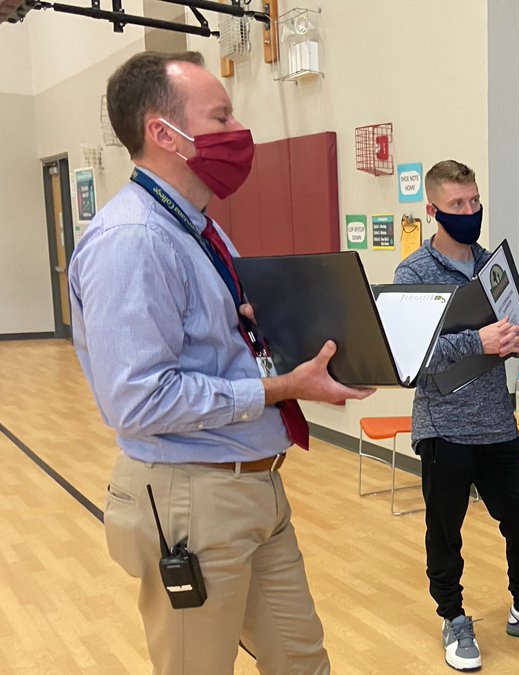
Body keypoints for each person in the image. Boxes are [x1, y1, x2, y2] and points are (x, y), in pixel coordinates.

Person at [69, 51, 373, 674]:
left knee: (302, 662)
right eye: (221, 116)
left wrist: (290, 340)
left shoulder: (198, 229)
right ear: (163, 134)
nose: (239, 131)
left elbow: (218, 345)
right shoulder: (133, 240)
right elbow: (138, 400)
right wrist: (280, 387)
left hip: (257, 485)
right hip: (191, 496)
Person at [393, 160, 519, 671]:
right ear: (432, 210)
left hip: (497, 423)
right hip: (444, 427)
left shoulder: (492, 265)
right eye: (457, 204)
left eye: (474, 200)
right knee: (445, 531)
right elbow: (413, 358)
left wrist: (517, 340)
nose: (470, 210)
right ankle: (453, 618)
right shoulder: (414, 274)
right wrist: (478, 341)